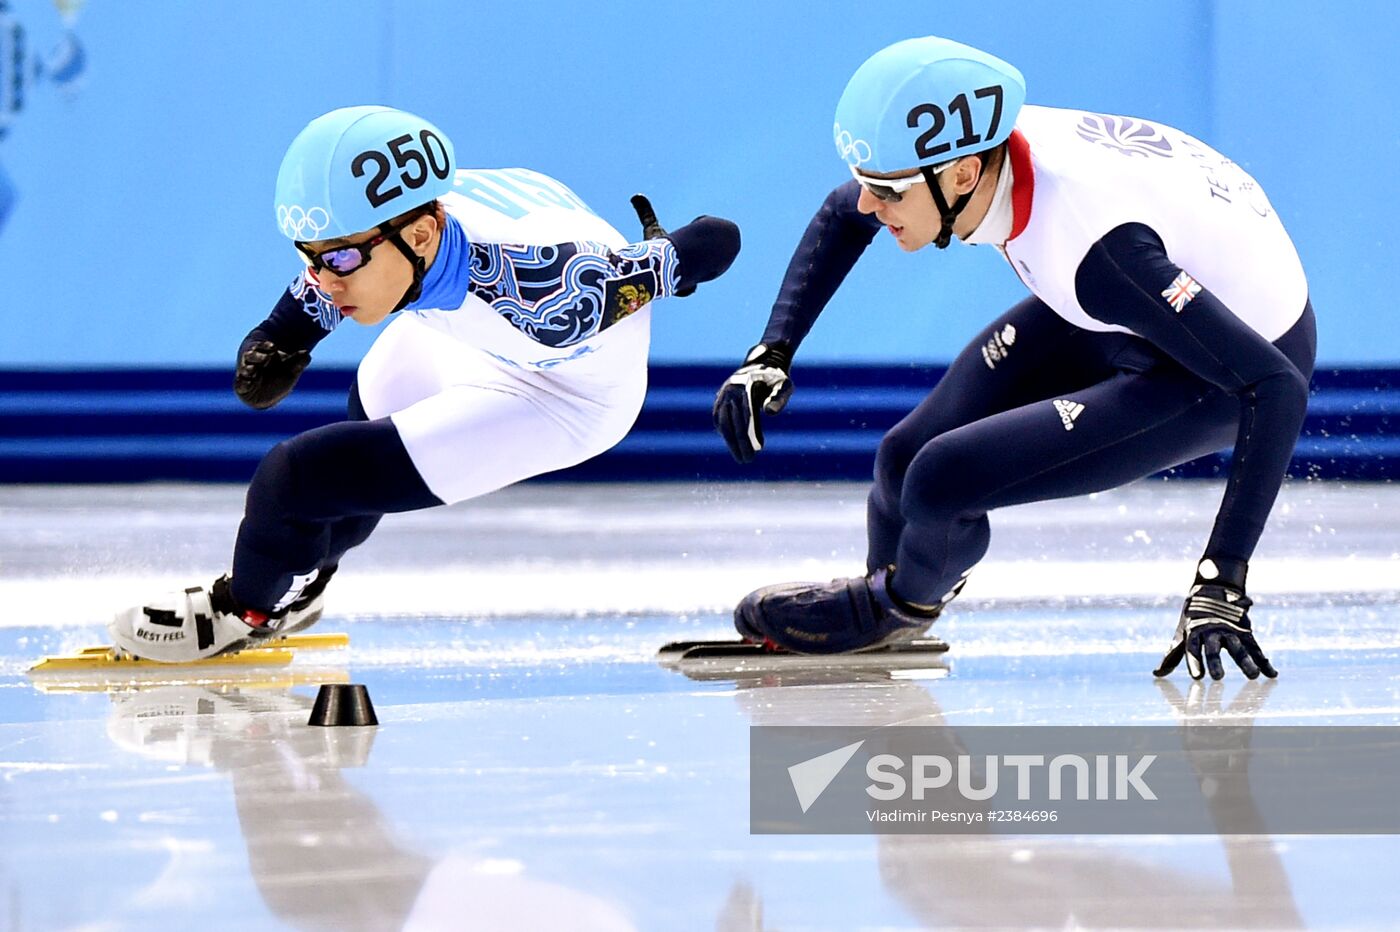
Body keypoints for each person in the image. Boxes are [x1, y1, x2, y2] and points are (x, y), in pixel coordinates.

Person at [714, 36, 1313, 680]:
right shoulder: (975, 150)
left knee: (943, 477)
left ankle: (898, 606)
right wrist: (770, 353)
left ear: (965, 175)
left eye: (886, 191)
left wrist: (1220, 581)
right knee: (903, 455)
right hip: (1137, 305)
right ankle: (890, 592)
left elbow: (1277, 385)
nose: (868, 204)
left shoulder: (1097, 249)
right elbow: (842, 213)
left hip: (1219, 365)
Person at [110, 105, 739, 661]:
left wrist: (660, 264)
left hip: (563, 398)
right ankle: (303, 580)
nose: (321, 279)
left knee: (294, 478)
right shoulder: (387, 234)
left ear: (420, 235)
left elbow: (718, 240)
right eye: (309, 256)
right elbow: (313, 297)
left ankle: (243, 608)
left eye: (339, 260)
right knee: (369, 405)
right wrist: (279, 340)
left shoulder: (554, 291)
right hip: (464, 334)